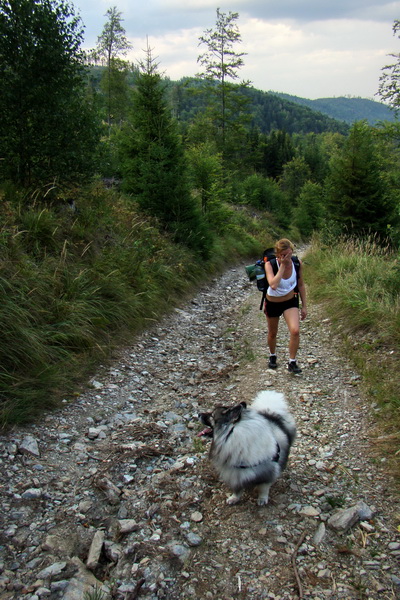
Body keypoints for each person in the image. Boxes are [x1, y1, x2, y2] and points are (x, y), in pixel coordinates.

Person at [264, 239, 307, 373]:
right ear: (278, 255)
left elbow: (300, 285)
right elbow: (273, 284)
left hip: (290, 302)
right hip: (272, 302)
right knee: (272, 333)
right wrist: (282, 265)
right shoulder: (270, 265)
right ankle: (272, 355)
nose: (287, 257)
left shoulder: (297, 263)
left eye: (289, 254)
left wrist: (304, 306)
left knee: (295, 331)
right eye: (283, 255)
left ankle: (292, 362)